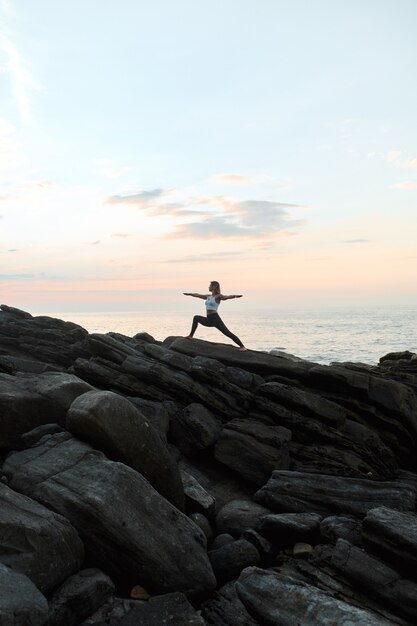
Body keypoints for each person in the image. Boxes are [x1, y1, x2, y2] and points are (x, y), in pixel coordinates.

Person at [183, 281, 247, 351]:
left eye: (210, 286)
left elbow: (226, 297)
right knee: (196, 318)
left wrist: (234, 296)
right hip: (209, 319)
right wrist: (189, 294)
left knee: (227, 333)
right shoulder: (208, 296)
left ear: (214, 287)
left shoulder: (218, 296)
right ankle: (191, 336)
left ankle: (242, 346)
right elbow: (198, 295)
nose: (208, 287)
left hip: (215, 318)